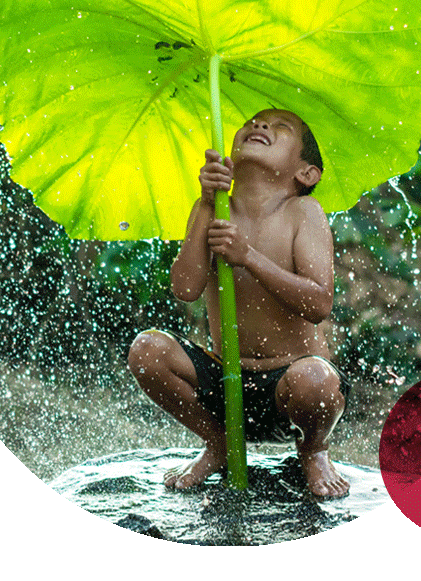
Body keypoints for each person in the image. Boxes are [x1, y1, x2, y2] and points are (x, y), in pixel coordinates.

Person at [127, 109, 351, 499]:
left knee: (315, 380)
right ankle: (220, 444)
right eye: (253, 122)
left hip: (290, 384)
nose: (260, 126)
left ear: (306, 174)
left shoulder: (304, 213)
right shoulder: (213, 209)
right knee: (147, 350)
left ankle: (314, 451)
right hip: (225, 382)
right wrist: (204, 204)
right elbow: (184, 288)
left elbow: (319, 302)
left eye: (280, 128)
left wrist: (249, 257)